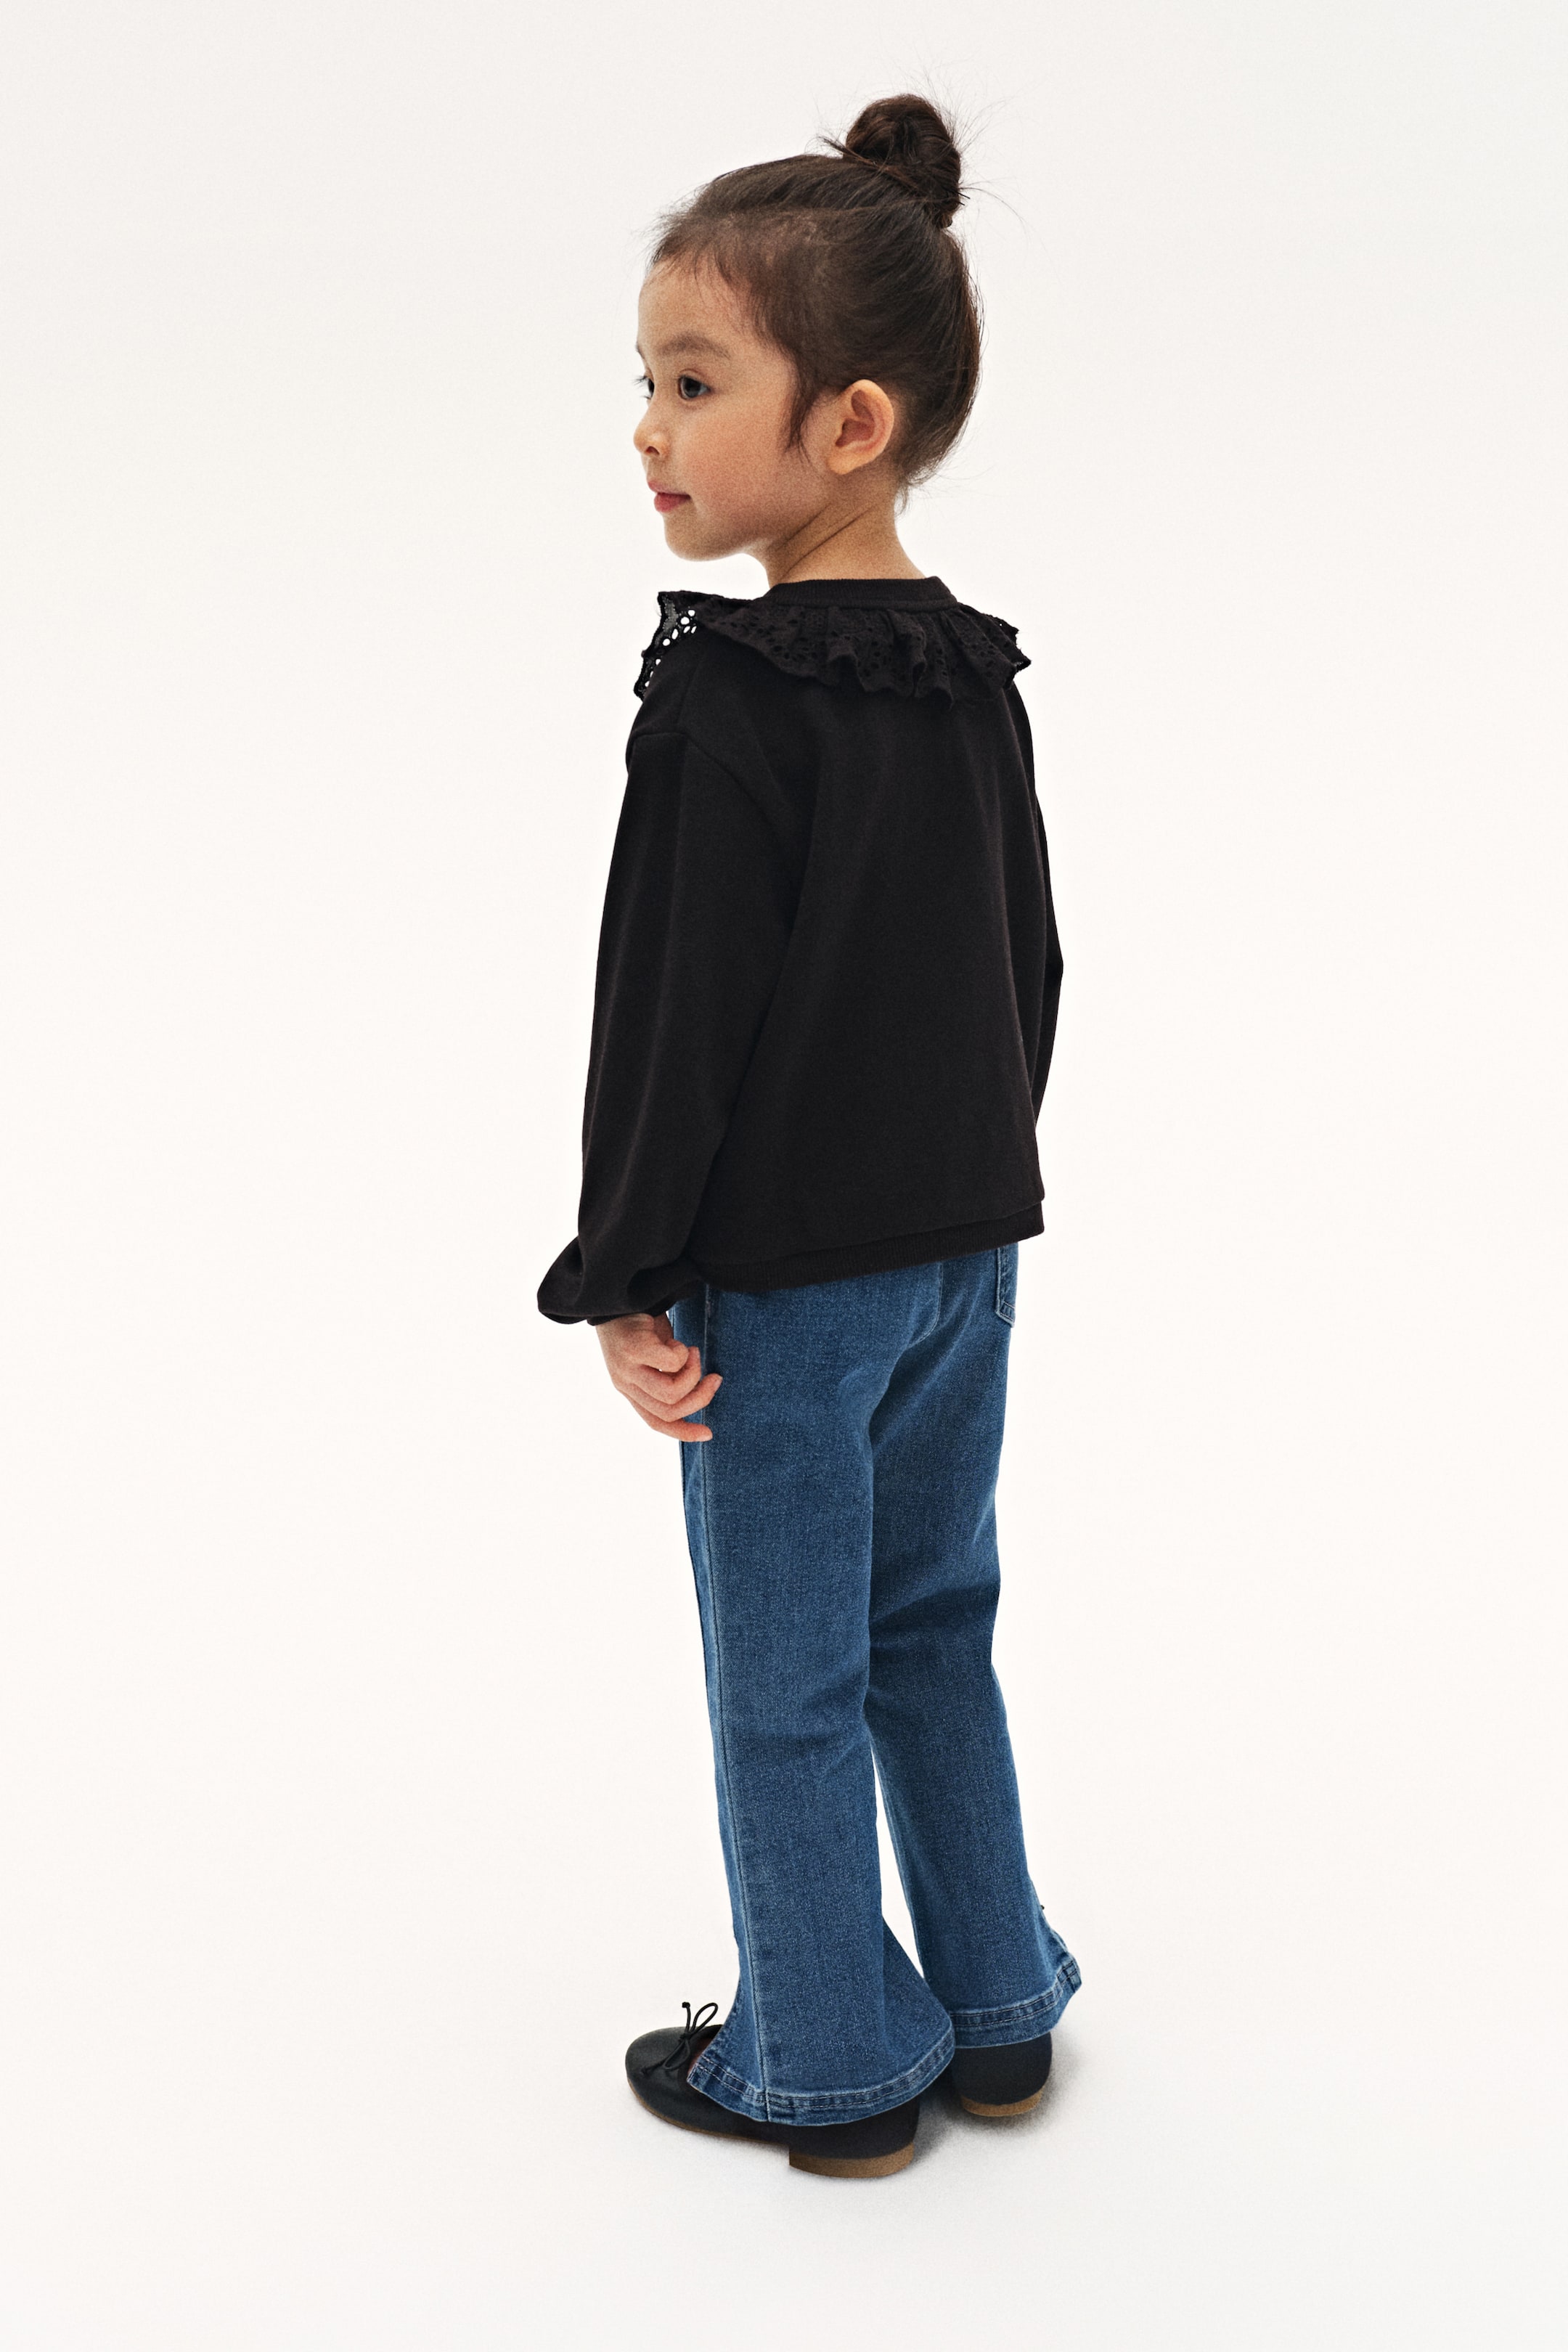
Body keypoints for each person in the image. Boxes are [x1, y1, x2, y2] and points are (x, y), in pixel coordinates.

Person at [538, 93, 1079, 2180]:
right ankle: (1000, 2013)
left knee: (787, 1681)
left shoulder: (731, 695)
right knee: (932, 1628)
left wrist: (626, 1269)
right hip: (964, 1255)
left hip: (786, 1287)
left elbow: (671, 1020)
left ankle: (834, 2065)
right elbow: (1030, 960)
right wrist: (983, 1185)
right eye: (646, 384)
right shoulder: (970, 675)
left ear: (851, 424)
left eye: (695, 385)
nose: (650, 432)